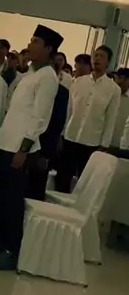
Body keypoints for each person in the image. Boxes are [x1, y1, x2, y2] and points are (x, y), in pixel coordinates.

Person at [0, 24, 63, 271]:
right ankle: (0, 241)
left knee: (13, 201)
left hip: (21, 148)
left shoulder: (48, 77)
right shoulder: (30, 74)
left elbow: (40, 118)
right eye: (31, 40)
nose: (30, 45)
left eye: (36, 42)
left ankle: (12, 251)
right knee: (2, 195)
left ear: (49, 49)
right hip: (7, 142)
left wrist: (24, 150)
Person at [55, 45, 120, 192]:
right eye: (95, 55)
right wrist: (61, 134)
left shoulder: (113, 89)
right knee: (62, 178)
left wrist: (104, 145)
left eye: (101, 56)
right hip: (70, 137)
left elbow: (111, 119)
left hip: (92, 143)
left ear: (108, 62)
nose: (97, 59)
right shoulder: (78, 82)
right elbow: (69, 110)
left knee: (85, 183)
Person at [111, 67, 129, 147]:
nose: (117, 81)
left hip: (121, 143)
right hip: (105, 141)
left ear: (127, 80)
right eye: (116, 78)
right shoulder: (111, 94)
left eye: (120, 78)